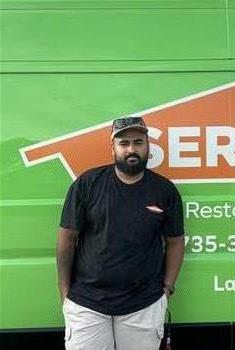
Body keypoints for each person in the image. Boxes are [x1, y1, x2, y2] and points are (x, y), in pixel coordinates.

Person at [56, 116, 185, 350]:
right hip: (87, 304)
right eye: (124, 143)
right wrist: (65, 291)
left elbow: (175, 242)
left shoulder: (164, 190)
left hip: (144, 305)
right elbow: (67, 238)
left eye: (138, 142)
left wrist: (167, 288)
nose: (131, 149)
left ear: (148, 146)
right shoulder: (87, 184)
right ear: (113, 148)